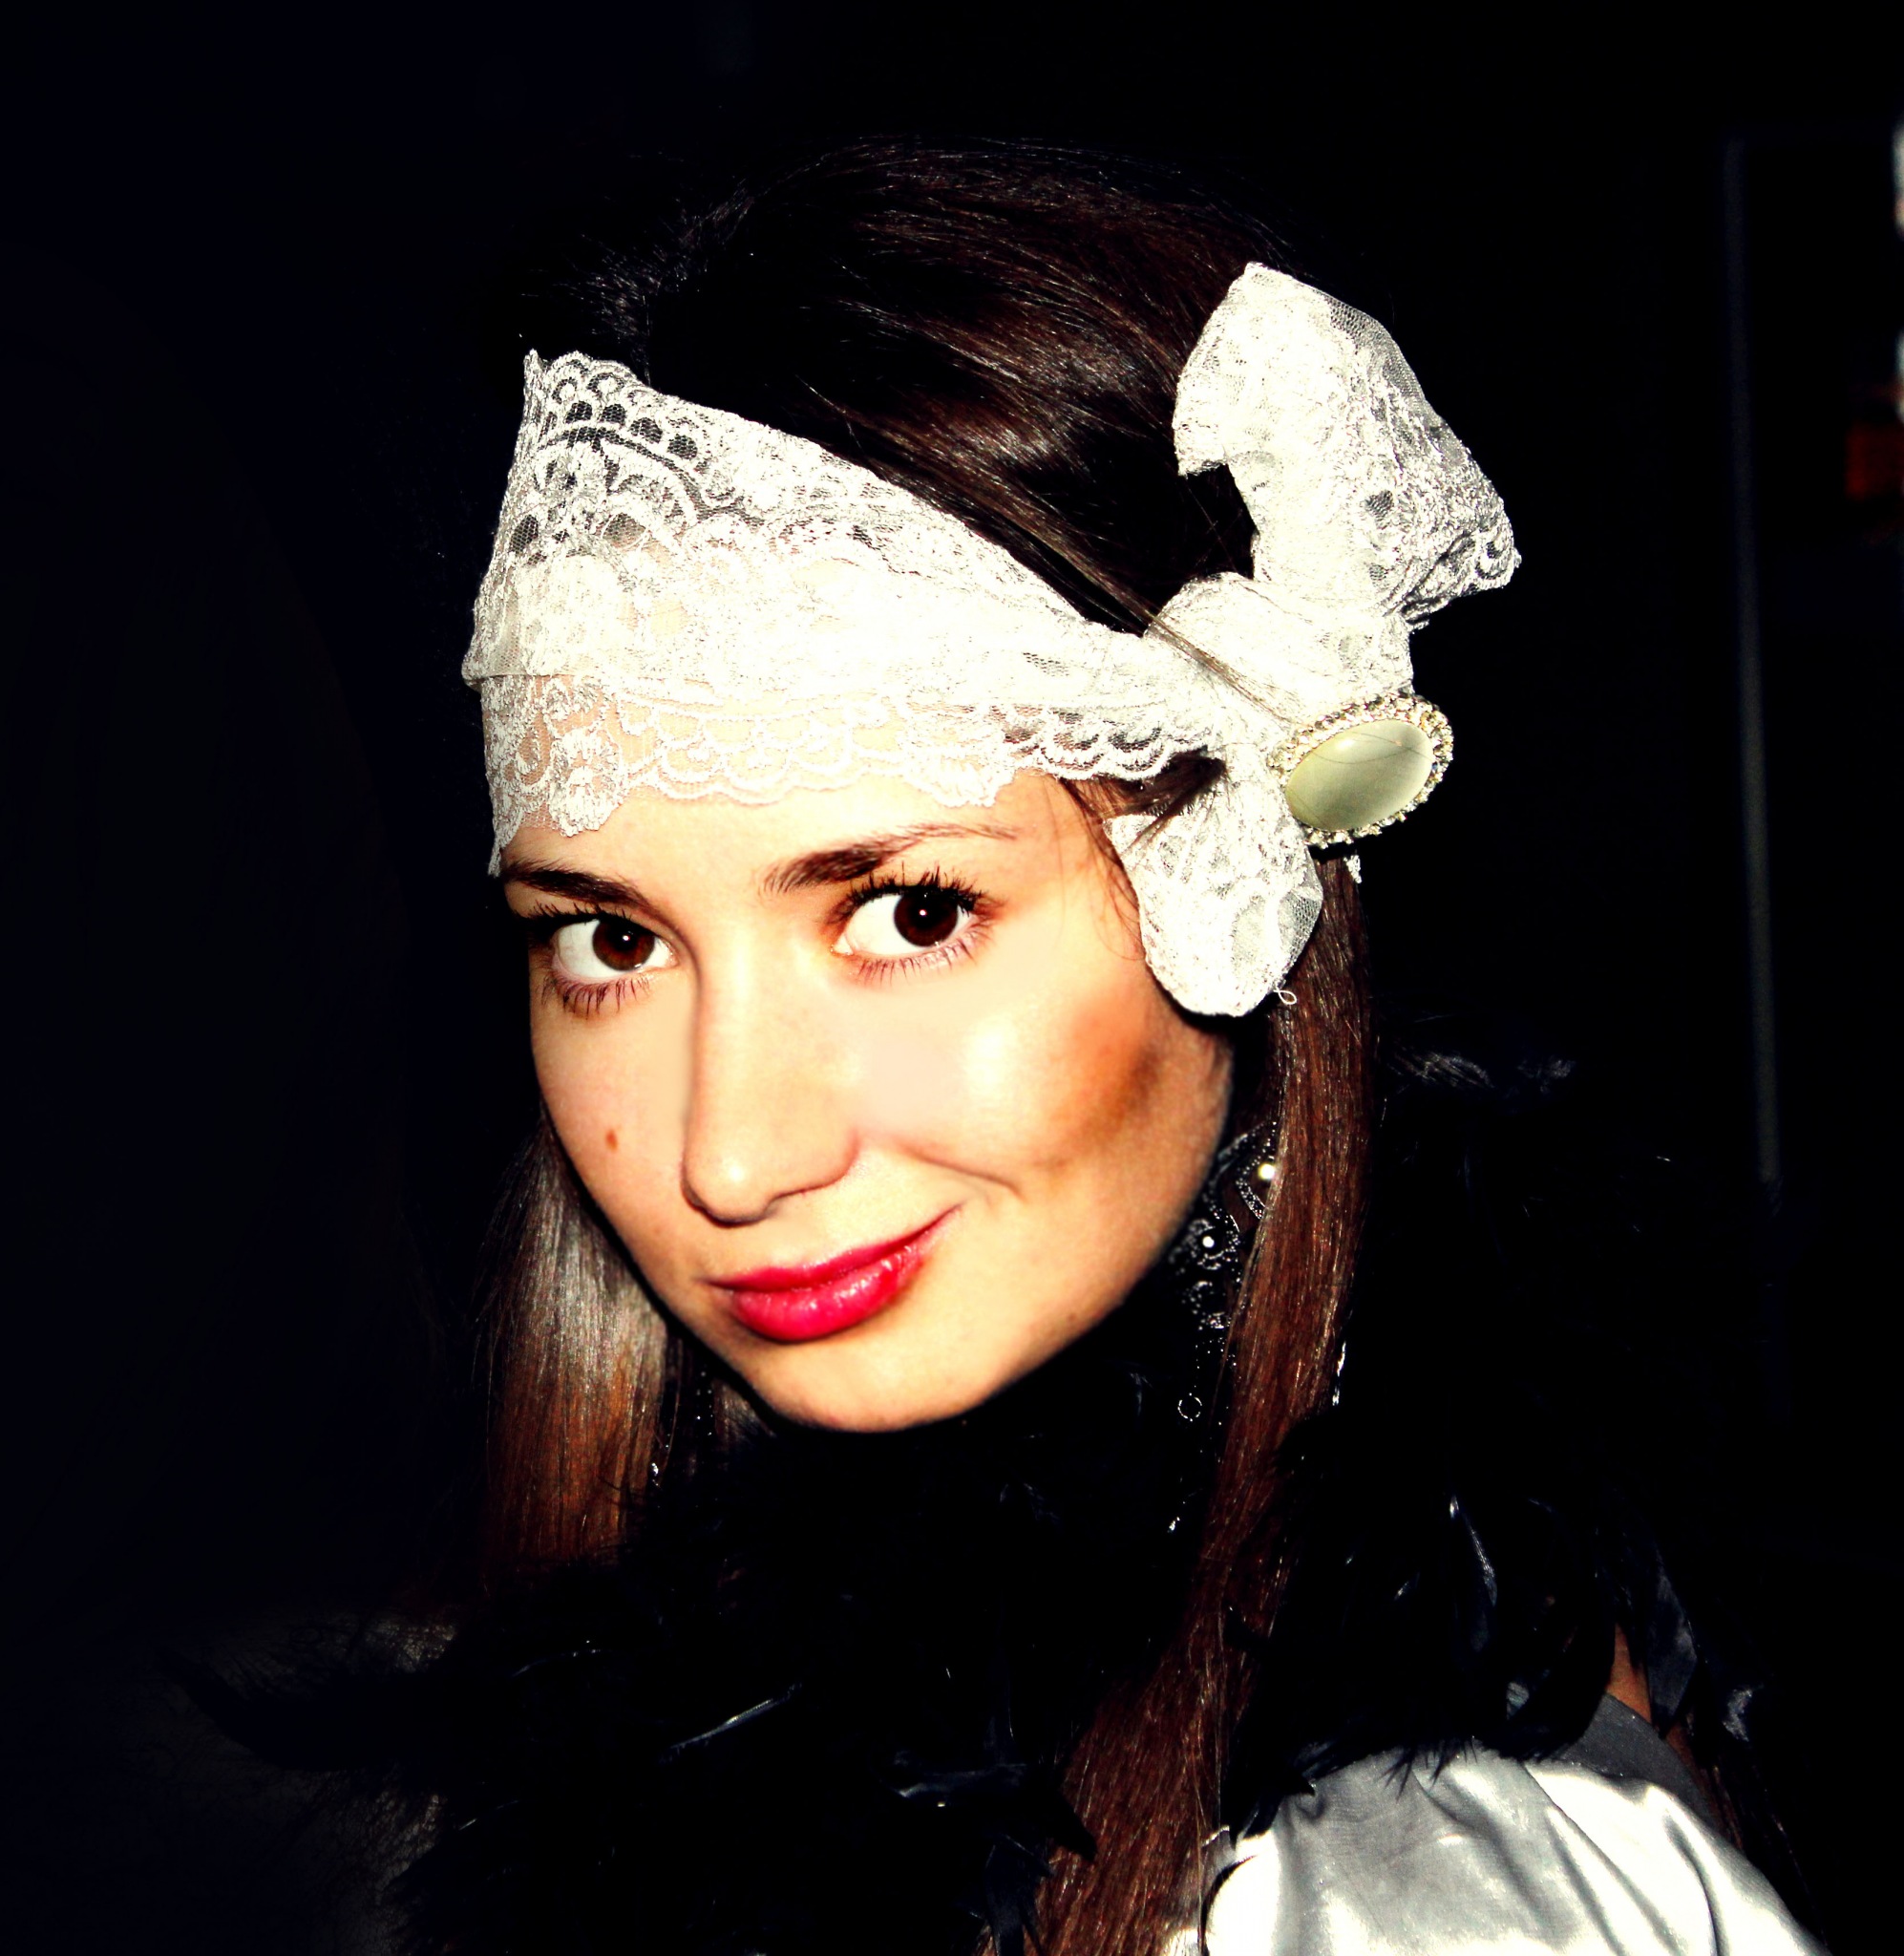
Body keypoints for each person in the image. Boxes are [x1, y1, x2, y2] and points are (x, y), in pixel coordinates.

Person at [282, 139, 1825, 1955]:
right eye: (613, 941)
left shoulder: (1414, 1886)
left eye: (909, 912)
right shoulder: (522, 1705)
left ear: (1238, 883)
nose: (730, 1154)